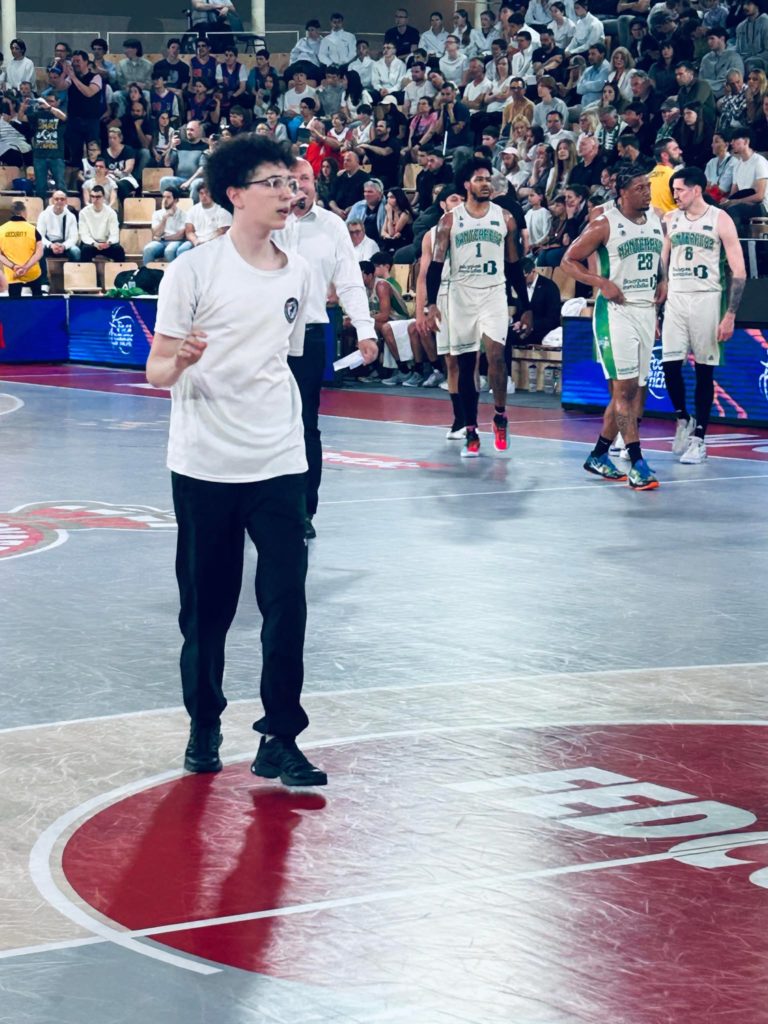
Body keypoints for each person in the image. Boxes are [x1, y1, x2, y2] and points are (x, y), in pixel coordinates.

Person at [146, 135, 327, 786]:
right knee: (207, 608)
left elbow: (288, 361)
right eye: (272, 182)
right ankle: (204, 722)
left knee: (286, 602)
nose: (287, 192)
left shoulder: (299, 272)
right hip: (205, 464)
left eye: (290, 181)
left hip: (277, 460)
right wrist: (182, 360)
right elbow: (156, 370)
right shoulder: (192, 272)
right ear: (235, 195)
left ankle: (281, 736)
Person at [273, 158, 377, 538]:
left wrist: (365, 330)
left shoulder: (332, 226)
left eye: (305, 178)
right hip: (265, 335)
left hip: (311, 332)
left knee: (305, 424)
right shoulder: (268, 221)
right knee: (263, 422)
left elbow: (349, 281)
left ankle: (304, 511)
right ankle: (263, 505)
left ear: (315, 183)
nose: (299, 185)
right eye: (292, 179)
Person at [561, 165, 665, 490]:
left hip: (646, 311)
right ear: (622, 193)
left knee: (635, 392)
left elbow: (656, 256)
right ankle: (637, 463)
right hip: (616, 314)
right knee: (623, 390)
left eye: (648, 187)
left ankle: (598, 455)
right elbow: (568, 260)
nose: (647, 193)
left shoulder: (655, 219)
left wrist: (663, 279)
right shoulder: (604, 224)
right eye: (640, 188)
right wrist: (601, 282)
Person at [424, 157, 532, 458]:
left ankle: (500, 415)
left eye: (488, 179)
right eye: (479, 179)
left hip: (494, 292)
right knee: (466, 363)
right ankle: (471, 429)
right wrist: (431, 303)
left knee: (495, 355)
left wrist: (525, 305)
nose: (486, 183)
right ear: (466, 185)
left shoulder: (505, 217)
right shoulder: (450, 221)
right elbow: (435, 266)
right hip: (461, 295)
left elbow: (514, 265)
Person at [661, 167, 746, 464]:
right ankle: (683, 418)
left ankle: (699, 440)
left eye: (680, 190)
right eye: (673, 190)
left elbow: (739, 271)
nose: (675, 195)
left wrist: (730, 314)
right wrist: (661, 294)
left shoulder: (720, 219)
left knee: (704, 370)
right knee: (669, 365)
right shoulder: (670, 219)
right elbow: (663, 260)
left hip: (707, 298)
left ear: (697, 190)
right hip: (676, 299)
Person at [0, 200, 43, 297]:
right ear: (24, 212)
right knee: (38, 301)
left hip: (13, 273)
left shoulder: (1, 230)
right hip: (32, 272)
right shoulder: (32, 229)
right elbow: (39, 252)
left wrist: (14, 267)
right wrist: (26, 267)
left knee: (15, 303)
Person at [178, 182, 232, 256]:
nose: (204, 195)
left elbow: (222, 233)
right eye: (201, 193)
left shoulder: (222, 212)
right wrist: (196, 241)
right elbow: (189, 232)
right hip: (196, 241)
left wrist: (206, 243)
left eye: (207, 192)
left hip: (214, 242)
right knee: (182, 250)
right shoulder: (192, 210)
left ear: (212, 194)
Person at [37, 189, 81, 272]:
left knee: (76, 251)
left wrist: (63, 246)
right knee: (39, 250)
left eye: (62, 199)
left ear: (66, 201)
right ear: (52, 201)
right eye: (56, 199)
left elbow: (74, 237)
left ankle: (72, 277)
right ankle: (44, 278)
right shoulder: (44, 215)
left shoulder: (71, 216)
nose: (59, 201)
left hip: (65, 244)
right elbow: (40, 236)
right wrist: (50, 245)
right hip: (49, 244)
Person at [78, 185, 125, 262]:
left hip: (107, 243)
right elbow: (84, 235)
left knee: (118, 250)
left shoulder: (111, 212)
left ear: (103, 197)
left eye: (98, 197)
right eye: (92, 196)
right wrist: (95, 244)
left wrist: (108, 243)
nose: (95, 199)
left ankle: (120, 270)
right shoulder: (83, 212)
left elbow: (114, 234)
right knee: (85, 250)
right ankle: (85, 270)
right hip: (91, 244)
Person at [143, 187, 188, 263]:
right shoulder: (157, 214)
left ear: (176, 200)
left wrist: (163, 238)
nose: (165, 200)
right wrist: (164, 219)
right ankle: (147, 270)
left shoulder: (184, 215)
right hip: (160, 243)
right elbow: (157, 233)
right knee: (148, 249)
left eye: (168, 197)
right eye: (164, 197)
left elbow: (180, 235)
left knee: (169, 250)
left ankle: (173, 270)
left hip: (176, 241)